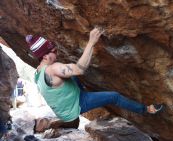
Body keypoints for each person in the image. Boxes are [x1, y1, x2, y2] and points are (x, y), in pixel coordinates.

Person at [26, 28, 164, 132]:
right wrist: (91, 41)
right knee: (114, 96)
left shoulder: (38, 73)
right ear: (45, 57)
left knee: (70, 74)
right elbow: (80, 69)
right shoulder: (53, 69)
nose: (56, 53)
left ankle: (70, 107)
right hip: (76, 104)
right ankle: (146, 109)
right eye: (54, 52)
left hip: (64, 108)